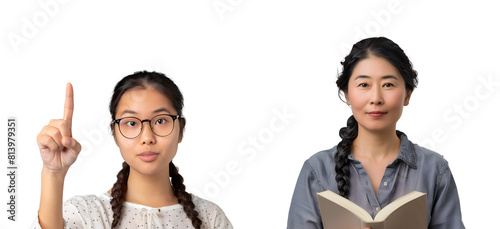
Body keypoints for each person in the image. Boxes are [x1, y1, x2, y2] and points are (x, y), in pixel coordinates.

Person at [286, 37, 465, 229]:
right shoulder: (317, 170)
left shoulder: (434, 170)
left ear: (408, 94)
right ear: (347, 94)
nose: (376, 98)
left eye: (388, 84)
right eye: (364, 85)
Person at [33, 71, 233, 229]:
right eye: (131, 123)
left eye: (161, 121)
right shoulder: (85, 214)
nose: (147, 137)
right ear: (115, 133)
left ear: (180, 130)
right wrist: (53, 173)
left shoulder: (210, 218)